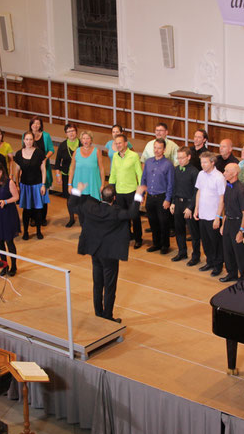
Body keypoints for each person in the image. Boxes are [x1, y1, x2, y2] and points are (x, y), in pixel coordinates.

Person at [68, 182, 147, 323]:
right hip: (109, 254)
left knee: (97, 283)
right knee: (109, 286)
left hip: (95, 251)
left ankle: (98, 312)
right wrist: (138, 194)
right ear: (115, 198)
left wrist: (77, 190)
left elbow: (72, 206)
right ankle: (107, 316)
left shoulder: (90, 207)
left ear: (101, 196)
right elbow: (132, 213)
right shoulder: (115, 212)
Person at [108, 134, 143, 248]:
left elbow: (139, 173)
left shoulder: (134, 156)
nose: (118, 145)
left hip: (131, 191)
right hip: (119, 191)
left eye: (120, 143)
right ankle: (127, 236)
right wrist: (111, 191)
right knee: (123, 217)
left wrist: (141, 192)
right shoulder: (115, 156)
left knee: (135, 216)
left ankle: (138, 239)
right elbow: (113, 174)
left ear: (125, 143)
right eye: (116, 143)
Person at [194, 152, 225, 276]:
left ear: (212, 162)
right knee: (206, 241)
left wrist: (218, 217)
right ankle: (210, 261)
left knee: (215, 242)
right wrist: (196, 208)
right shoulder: (201, 174)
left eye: (205, 162)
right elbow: (199, 192)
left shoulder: (219, 177)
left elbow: (222, 199)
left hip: (213, 216)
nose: (203, 165)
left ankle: (218, 265)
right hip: (203, 214)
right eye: (201, 162)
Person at [13, 131, 48, 240]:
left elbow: (43, 170)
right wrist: (17, 185)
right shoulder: (19, 154)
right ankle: (26, 232)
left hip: (37, 185)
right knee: (26, 210)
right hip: (25, 186)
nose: (28, 141)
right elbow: (17, 171)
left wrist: (43, 185)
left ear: (33, 140)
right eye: (26, 139)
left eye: (30, 139)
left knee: (38, 210)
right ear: (23, 140)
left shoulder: (39, 153)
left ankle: (38, 231)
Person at [142, 138, 174, 253]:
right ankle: (156, 243)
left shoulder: (168, 164)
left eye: (159, 148)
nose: (156, 150)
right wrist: (141, 195)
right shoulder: (148, 162)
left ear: (164, 149)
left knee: (163, 222)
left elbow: (171, 184)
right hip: (150, 197)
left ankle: (165, 245)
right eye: (155, 147)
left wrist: (168, 199)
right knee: (152, 221)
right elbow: (143, 178)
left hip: (162, 197)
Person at [219, 163, 244, 283]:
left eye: (226, 171)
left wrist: (241, 231)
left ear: (235, 173)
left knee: (240, 252)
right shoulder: (228, 186)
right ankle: (231, 273)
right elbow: (226, 207)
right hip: (228, 221)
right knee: (227, 250)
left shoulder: (241, 190)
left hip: (238, 223)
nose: (224, 173)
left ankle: (243, 277)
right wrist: (223, 224)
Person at [170, 148, 200, 264]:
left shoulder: (194, 172)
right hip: (178, 202)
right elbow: (174, 187)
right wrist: (173, 202)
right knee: (179, 230)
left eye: (182, 158)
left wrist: (190, 207)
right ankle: (182, 252)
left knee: (193, 233)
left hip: (189, 204)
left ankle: (195, 256)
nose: (180, 160)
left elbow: (196, 191)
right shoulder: (177, 169)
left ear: (188, 157)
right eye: (178, 158)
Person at [68, 130, 104, 219]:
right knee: (80, 210)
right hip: (79, 186)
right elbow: (72, 169)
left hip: (93, 185)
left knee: (93, 211)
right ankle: (84, 229)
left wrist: (102, 184)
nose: (86, 140)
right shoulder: (76, 151)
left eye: (88, 138)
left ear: (91, 140)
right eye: (83, 138)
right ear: (81, 140)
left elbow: (101, 169)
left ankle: (92, 230)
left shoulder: (97, 151)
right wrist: (69, 184)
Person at [29, 117, 54, 225]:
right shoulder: (27, 136)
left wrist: (44, 159)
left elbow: (51, 150)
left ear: (41, 125)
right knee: (32, 195)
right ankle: (33, 218)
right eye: (34, 123)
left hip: (44, 168)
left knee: (43, 194)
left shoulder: (46, 135)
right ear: (30, 125)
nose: (35, 125)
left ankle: (43, 218)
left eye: (38, 124)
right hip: (31, 169)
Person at [55, 123, 80, 225]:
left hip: (80, 175)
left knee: (80, 197)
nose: (71, 133)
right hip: (66, 175)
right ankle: (71, 218)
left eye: (73, 131)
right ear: (66, 133)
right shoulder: (62, 145)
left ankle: (82, 217)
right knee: (69, 198)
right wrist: (58, 175)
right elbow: (57, 162)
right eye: (68, 131)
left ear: (76, 132)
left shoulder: (82, 144)